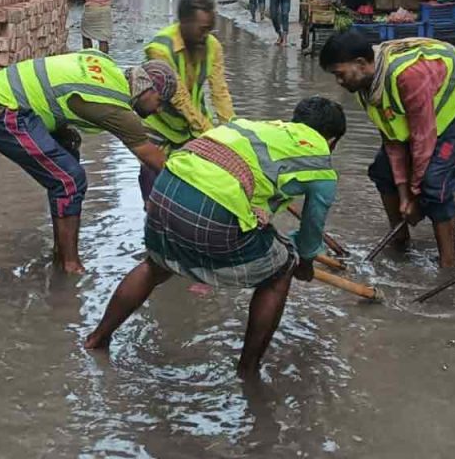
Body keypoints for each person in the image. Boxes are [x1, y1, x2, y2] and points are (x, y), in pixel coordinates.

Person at [85, 97, 347, 377]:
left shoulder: (254, 128)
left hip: (166, 189)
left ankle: (97, 338)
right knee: (282, 269)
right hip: (212, 206)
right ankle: (248, 370)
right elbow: (311, 231)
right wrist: (304, 262)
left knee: (156, 265)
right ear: (331, 141)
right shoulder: (321, 165)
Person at [0, 52, 177, 275]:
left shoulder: (106, 66)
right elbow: (152, 158)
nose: (159, 110)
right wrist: (192, 180)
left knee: (68, 146)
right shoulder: (115, 107)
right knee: (69, 180)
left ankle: (60, 252)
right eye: (160, 102)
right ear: (148, 89)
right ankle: (69, 266)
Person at [320, 32, 455, 269]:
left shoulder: (407, 75)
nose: (338, 82)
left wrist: (415, 194)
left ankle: (448, 265)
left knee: (434, 185)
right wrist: (404, 197)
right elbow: (393, 142)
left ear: (361, 64)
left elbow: (422, 138)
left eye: (339, 74)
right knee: (382, 172)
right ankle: (399, 238)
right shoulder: (367, 90)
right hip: (431, 113)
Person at [139, 0, 237, 199]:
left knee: (198, 187)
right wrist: (211, 134)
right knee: (155, 186)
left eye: (209, 30)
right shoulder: (160, 49)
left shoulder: (212, 45)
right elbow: (180, 98)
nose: (205, 36)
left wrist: (232, 133)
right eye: (201, 30)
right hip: (159, 126)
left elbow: (220, 91)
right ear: (184, 22)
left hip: (193, 124)